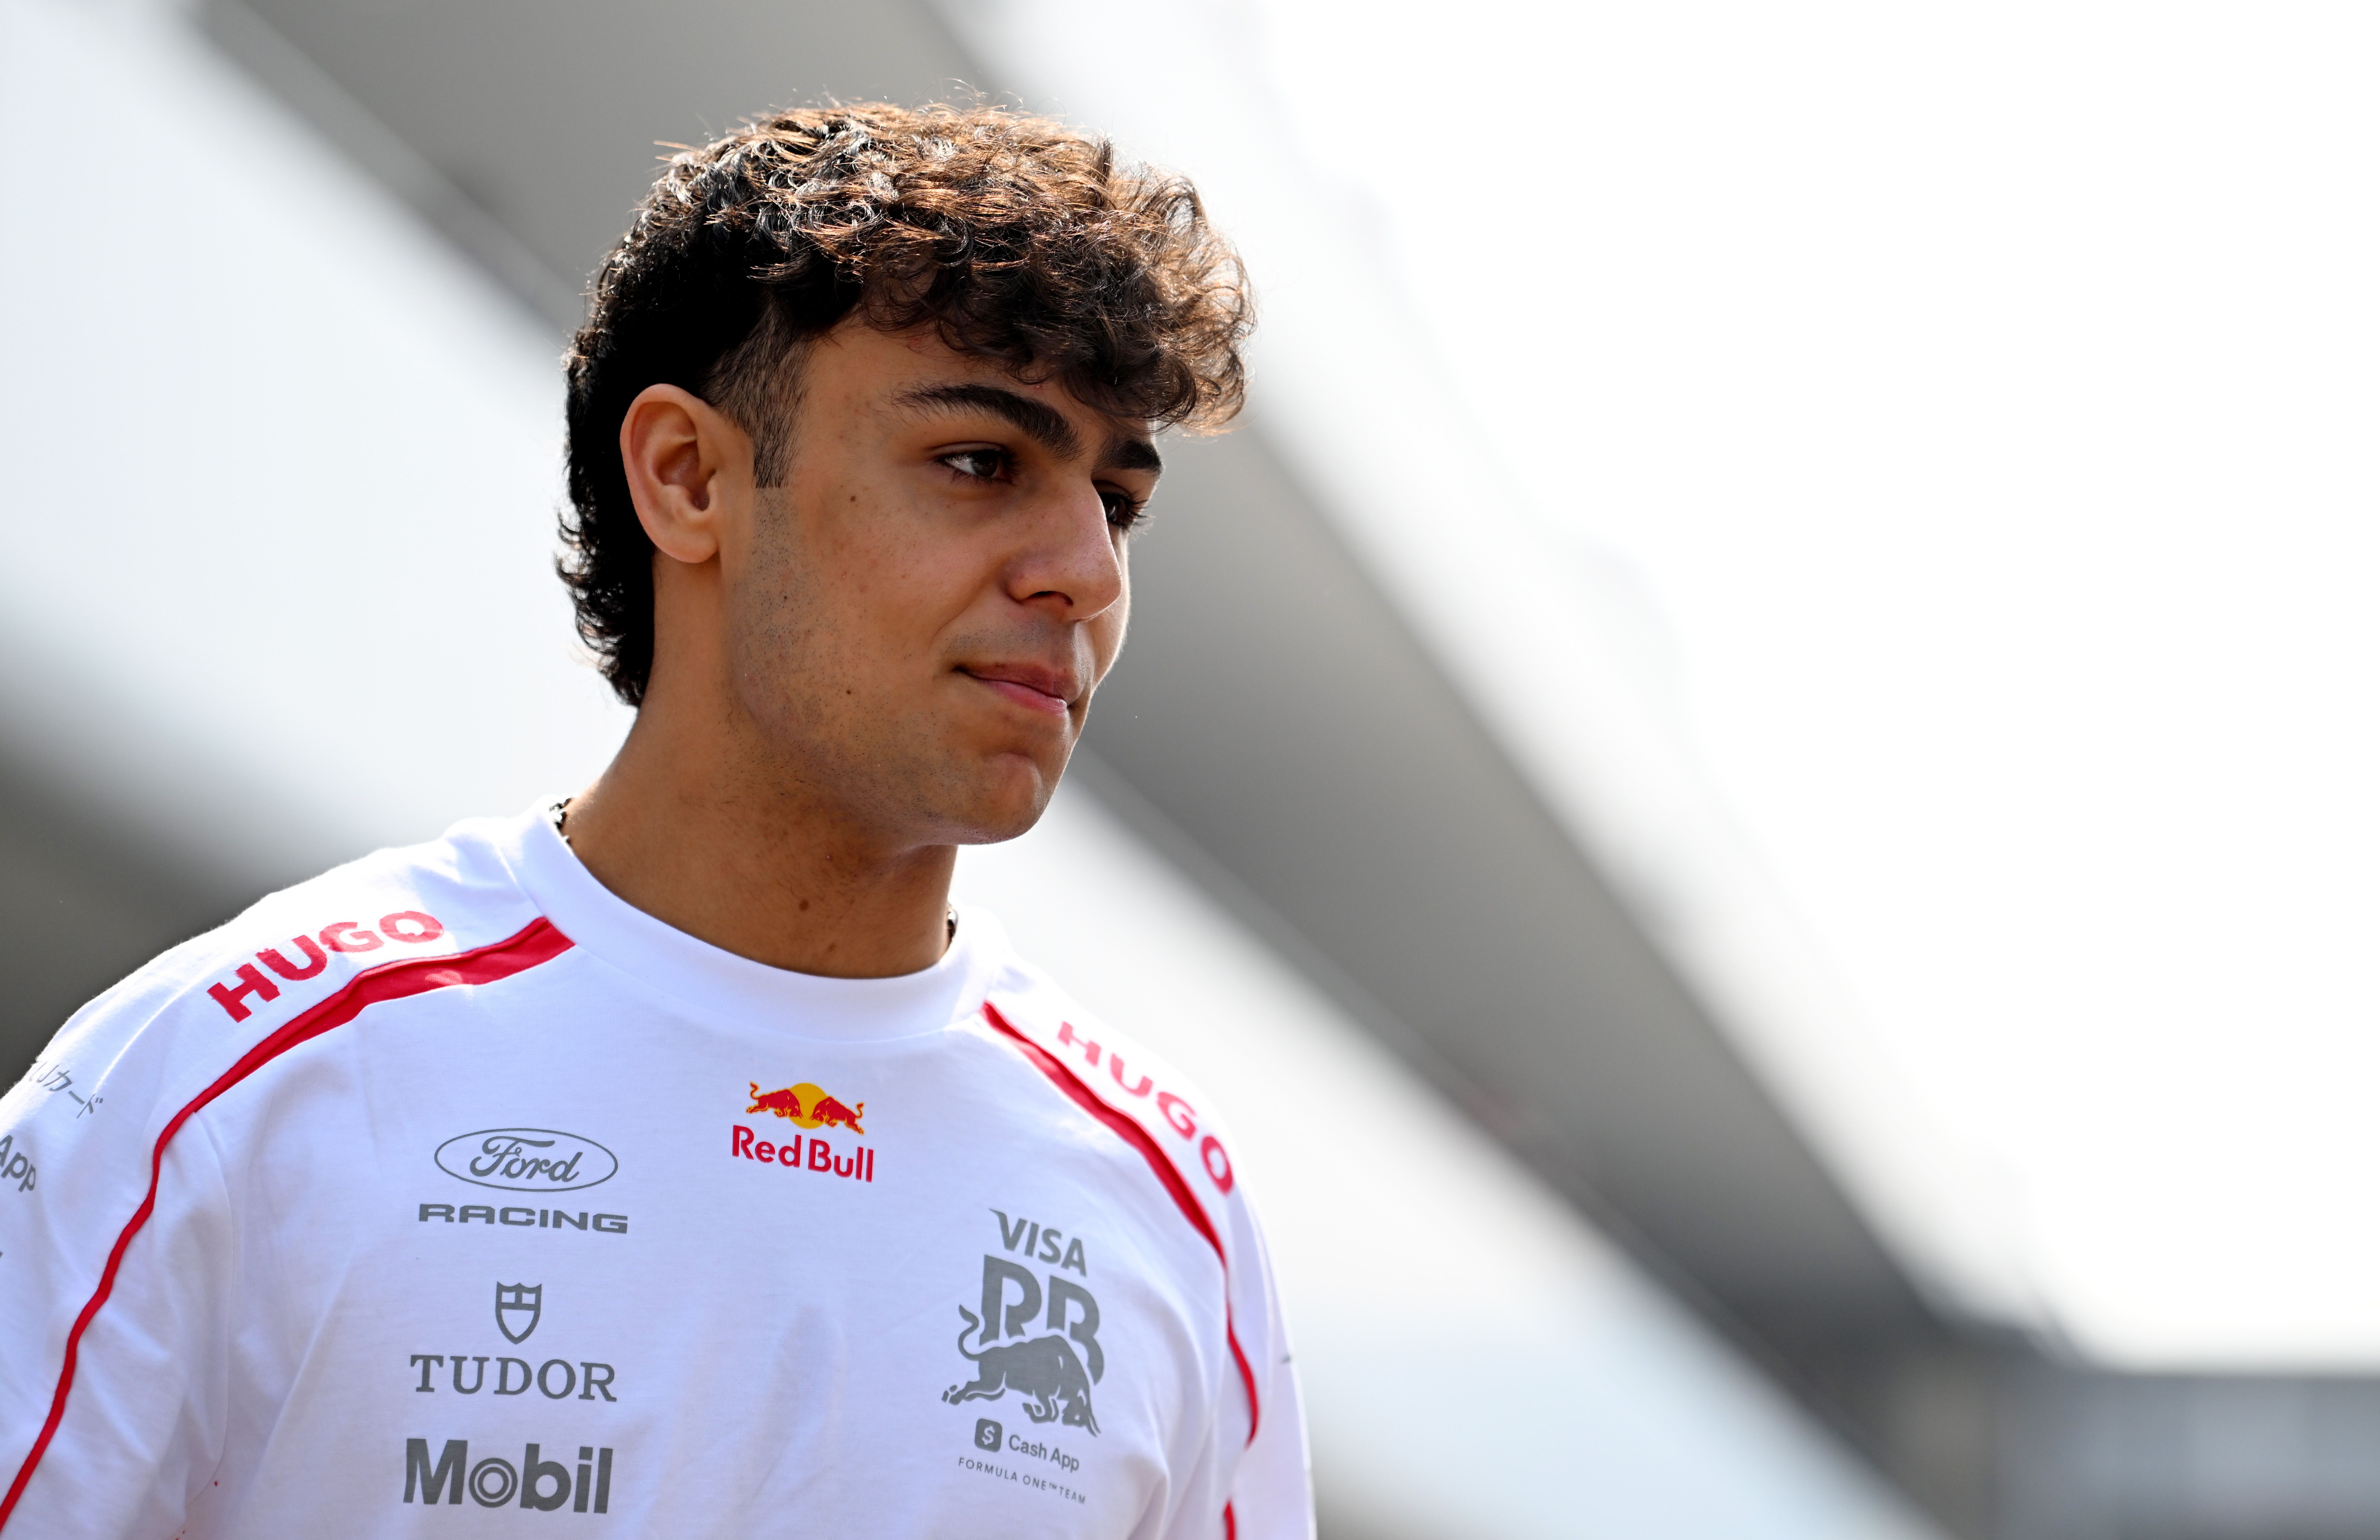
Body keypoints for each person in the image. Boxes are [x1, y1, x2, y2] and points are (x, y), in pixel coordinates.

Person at [0, 103, 1309, 1538]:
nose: (1081, 573)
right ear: (687, 478)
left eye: (1117, 501)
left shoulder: (1165, 1193)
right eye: (983, 462)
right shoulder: (229, 1078)